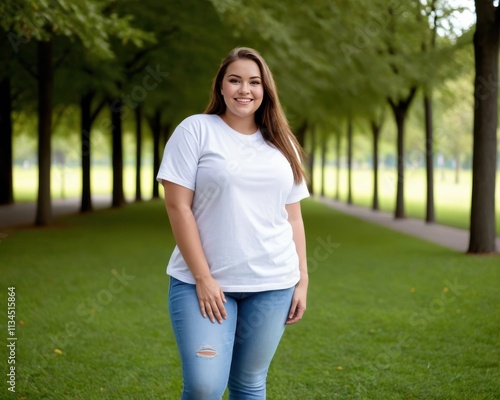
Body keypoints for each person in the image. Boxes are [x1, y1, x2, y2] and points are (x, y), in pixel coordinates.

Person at [156, 47, 309, 399]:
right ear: (221, 87)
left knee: (250, 384)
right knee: (205, 387)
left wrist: (302, 280)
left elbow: (293, 217)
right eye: (235, 80)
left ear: (265, 90)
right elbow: (178, 207)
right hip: (203, 286)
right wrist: (204, 279)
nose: (245, 89)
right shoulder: (195, 130)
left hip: (273, 284)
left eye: (254, 82)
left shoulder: (283, 144)